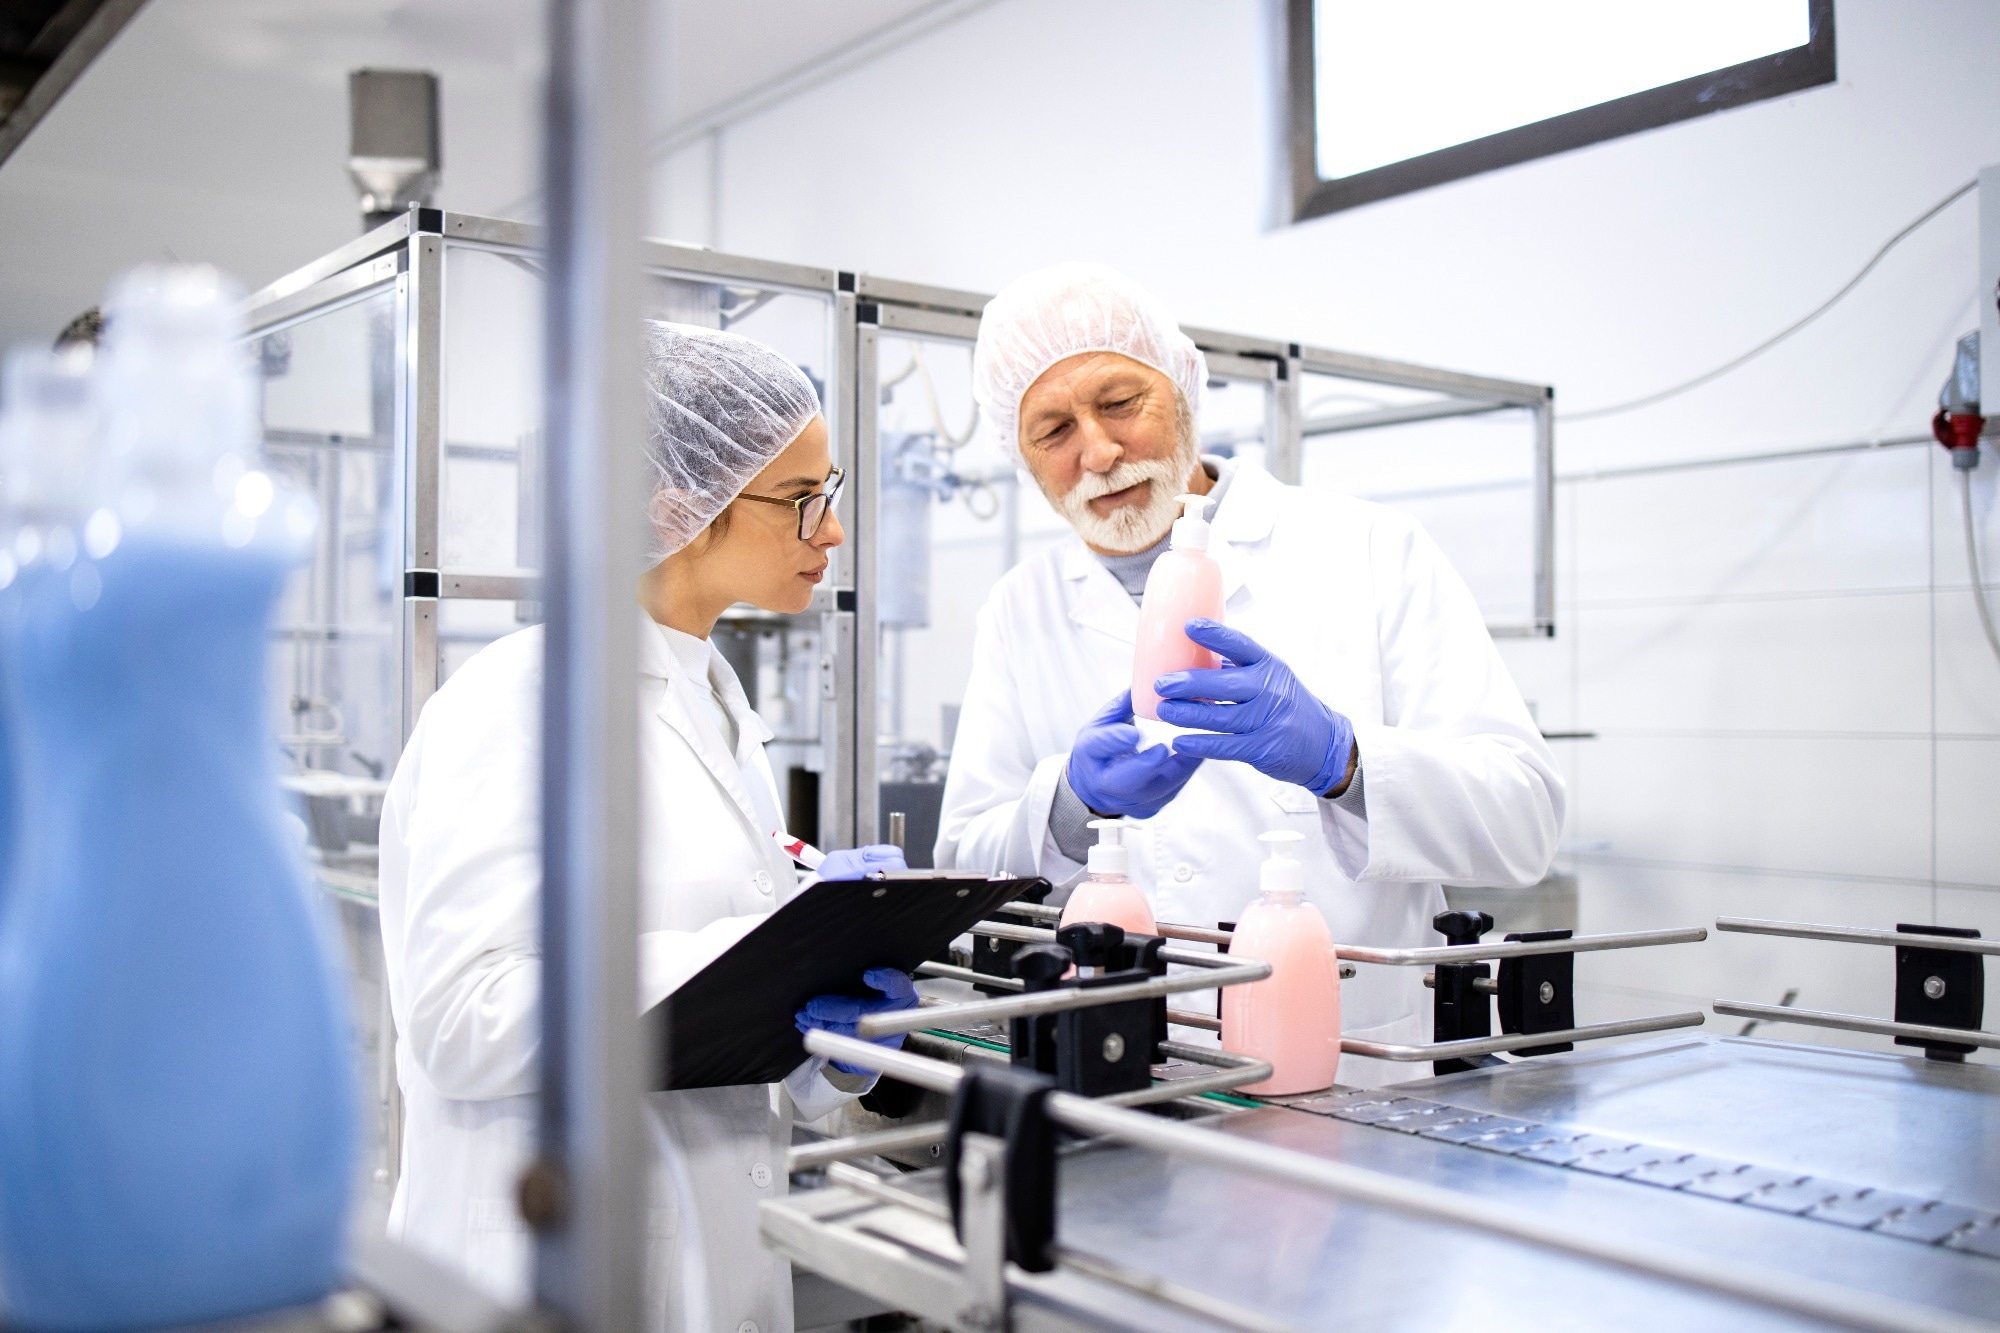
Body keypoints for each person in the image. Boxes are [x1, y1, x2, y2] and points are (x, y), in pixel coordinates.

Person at [377, 322, 913, 1331]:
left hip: (715, 1254)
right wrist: (762, 962)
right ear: (679, 503)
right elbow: (458, 1017)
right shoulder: (522, 700)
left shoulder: (714, 700)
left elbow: (712, 1010)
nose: (832, 533)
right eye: (804, 501)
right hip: (547, 1265)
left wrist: (821, 1050)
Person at [935, 263, 1565, 1087]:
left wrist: (1344, 761)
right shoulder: (1022, 607)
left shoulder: (1372, 551)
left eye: (1121, 403)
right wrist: (1064, 807)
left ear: (1186, 391)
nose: (1097, 450)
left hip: (1353, 1073)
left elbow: (1525, 823)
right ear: (1020, 458)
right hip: (1118, 1075)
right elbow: (963, 867)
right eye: (1051, 430)